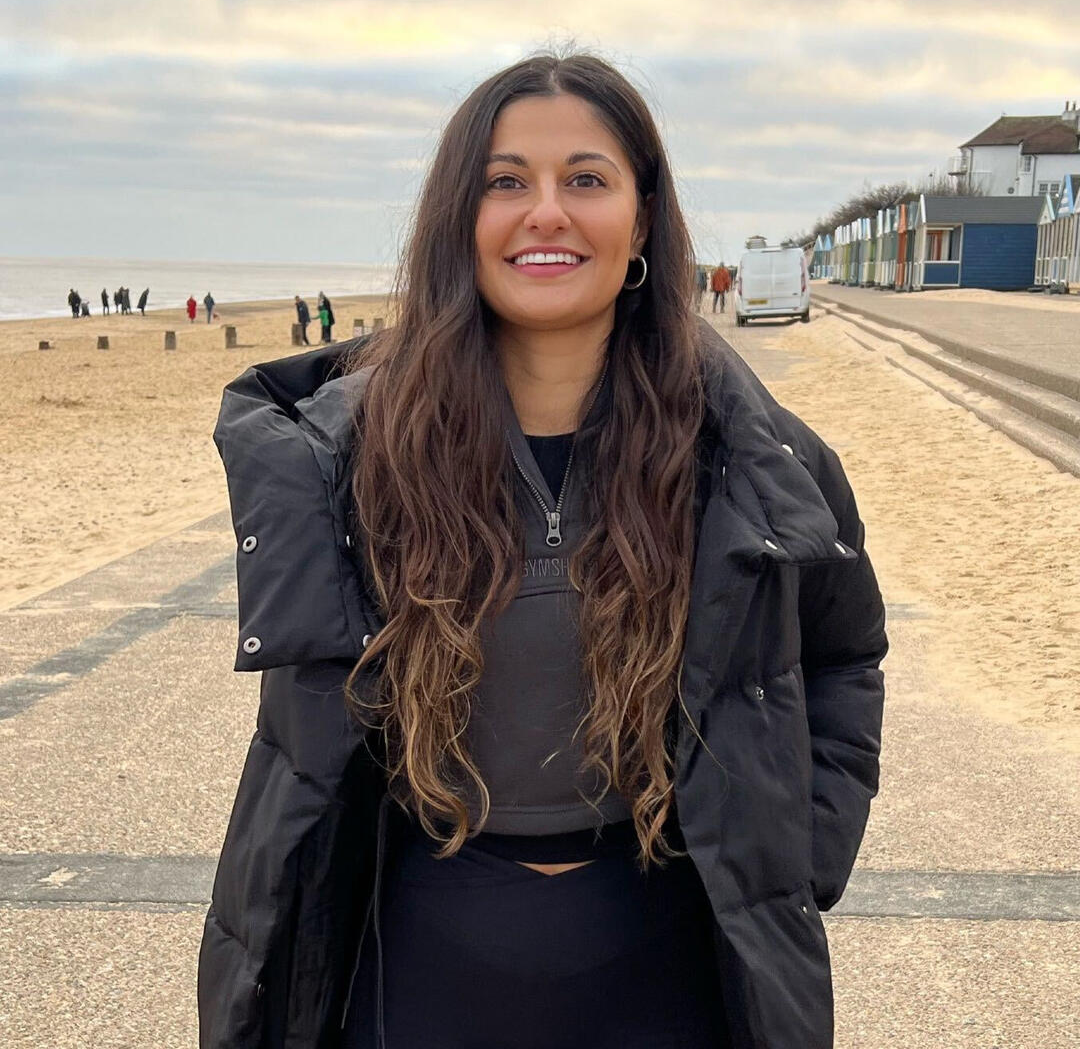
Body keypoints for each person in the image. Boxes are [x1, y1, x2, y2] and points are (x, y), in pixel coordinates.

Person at [200, 51, 887, 1049]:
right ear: (459, 219)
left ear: (642, 218)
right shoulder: (345, 455)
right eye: (507, 181)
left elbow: (844, 652)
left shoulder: (754, 457)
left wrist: (802, 847)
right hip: (417, 954)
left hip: (672, 955)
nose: (547, 213)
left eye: (588, 180)